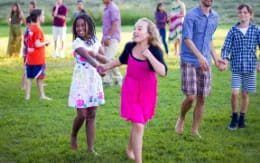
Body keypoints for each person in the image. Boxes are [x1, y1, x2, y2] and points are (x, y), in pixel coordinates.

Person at [102, 18, 167, 163]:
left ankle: (130, 149)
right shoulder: (130, 46)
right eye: (135, 28)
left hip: (147, 92)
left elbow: (163, 72)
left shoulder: (155, 50)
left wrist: (149, 55)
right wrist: (105, 67)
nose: (135, 31)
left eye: (139, 29)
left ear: (149, 34)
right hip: (130, 89)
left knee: (138, 122)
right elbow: (120, 60)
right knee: (138, 124)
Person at [174, 0, 225, 137]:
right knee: (190, 96)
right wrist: (200, 57)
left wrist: (216, 59)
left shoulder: (215, 17)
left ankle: (195, 129)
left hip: (205, 61)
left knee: (202, 98)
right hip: (189, 60)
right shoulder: (191, 15)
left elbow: (209, 39)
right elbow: (187, 39)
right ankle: (182, 118)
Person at [69, 14, 107, 154]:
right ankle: (73, 135)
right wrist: (98, 66)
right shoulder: (77, 43)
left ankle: (91, 148)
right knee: (82, 114)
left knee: (92, 114)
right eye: (77, 26)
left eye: (82, 25)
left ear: (89, 26)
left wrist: (99, 57)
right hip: (81, 82)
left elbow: (103, 58)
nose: (79, 28)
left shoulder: (96, 40)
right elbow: (87, 56)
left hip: (93, 82)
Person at [220, 4, 260, 130]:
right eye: (241, 12)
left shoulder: (256, 30)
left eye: (245, 12)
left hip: (250, 66)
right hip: (236, 66)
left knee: (245, 94)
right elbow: (226, 47)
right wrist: (225, 59)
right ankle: (234, 117)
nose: (243, 14)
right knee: (234, 93)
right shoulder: (233, 30)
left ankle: (242, 118)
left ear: (250, 15)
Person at [25, 9, 51, 101]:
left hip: (30, 58)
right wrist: (46, 42)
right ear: (38, 17)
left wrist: (42, 42)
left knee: (29, 77)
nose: (44, 17)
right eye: (43, 15)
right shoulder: (37, 29)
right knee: (39, 78)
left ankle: (27, 97)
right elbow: (37, 44)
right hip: (38, 58)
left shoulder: (30, 28)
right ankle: (42, 96)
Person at [102, 0, 122, 86]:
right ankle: (108, 80)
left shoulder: (113, 8)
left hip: (112, 38)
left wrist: (108, 37)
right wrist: (104, 38)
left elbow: (115, 24)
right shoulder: (106, 8)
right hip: (107, 38)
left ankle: (118, 78)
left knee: (109, 58)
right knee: (106, 58)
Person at [21, 16, 32, 90]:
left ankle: (25, 85)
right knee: (26, 69)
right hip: (26, 53)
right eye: (31, 23)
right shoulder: (28, 32)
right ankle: (23, 86)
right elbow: (27, 43)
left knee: (28, 69)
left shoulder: (28, 31)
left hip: (27, 52)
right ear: (28, 24)